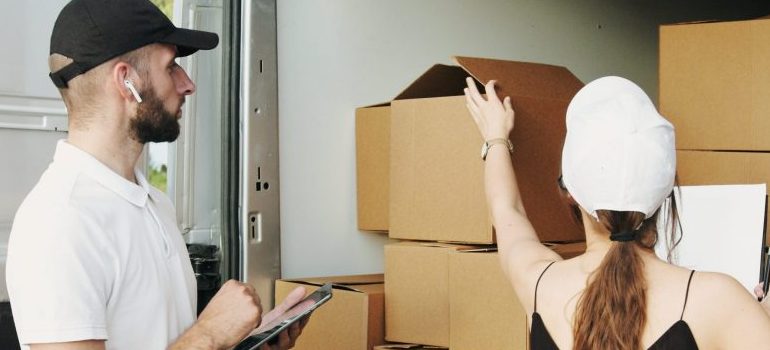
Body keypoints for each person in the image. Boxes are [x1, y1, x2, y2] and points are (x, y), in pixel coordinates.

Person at [5, 0, 307, 349]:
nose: (187, 83)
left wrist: (240, 343)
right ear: (126, 81)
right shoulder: (60, 222)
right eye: (171, 66)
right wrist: (209, 334)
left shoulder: (153, 204)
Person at [464, 75, 770, 349]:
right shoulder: (718, 301)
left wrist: (496, 136)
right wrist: (755, 317)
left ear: (569, 191)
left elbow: (507, 210)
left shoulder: (540, 284)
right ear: (666, 191)